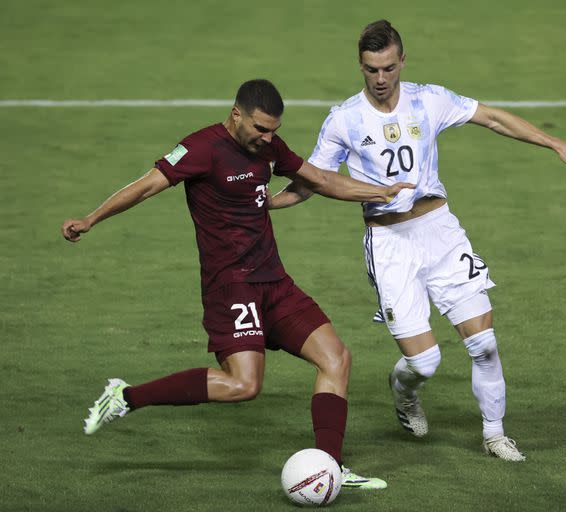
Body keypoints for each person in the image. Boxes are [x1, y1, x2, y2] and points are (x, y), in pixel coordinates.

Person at [270, 21, 566, 462]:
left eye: (388, 67)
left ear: (402, 61)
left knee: (483, 343)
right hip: (389, 245)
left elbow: (493, 118)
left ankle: (494, 433)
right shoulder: (345, 120)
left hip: (440, 232)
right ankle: (404, 392)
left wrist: (554, 142)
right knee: (424, 363)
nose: (381, 79)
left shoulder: (430, 100)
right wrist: (264, 204)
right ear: (361, 67)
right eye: (371, 70)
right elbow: (313, 181)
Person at [61, 79, 415, 489]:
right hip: (231, 287)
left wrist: (381, 192)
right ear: (237, 115)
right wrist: (90, 219)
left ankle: (331, 466)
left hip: (275, 282)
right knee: (243, 385)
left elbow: (319, 179)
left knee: (336, 358)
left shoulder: (267, 147)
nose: (268, 139)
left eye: (274, 131)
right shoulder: (201, 149)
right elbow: (145, 187)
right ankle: (125, 397)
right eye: (261, 129)